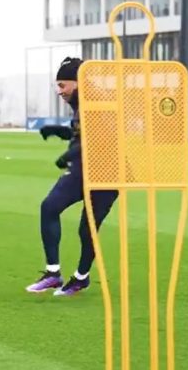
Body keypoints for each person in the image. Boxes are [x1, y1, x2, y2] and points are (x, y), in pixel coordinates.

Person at [25, 57, 119, 297]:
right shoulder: (80, 104)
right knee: (49, 207)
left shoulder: (99, 103)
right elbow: (81, 134)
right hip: (82, 168)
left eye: (62, 85)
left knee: (87, 229)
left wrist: (68, 154)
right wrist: (58, 131)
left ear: (77, 83)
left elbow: (98, 139)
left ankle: (81, 277)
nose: (59, 91)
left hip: (107, 172)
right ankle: (53, 273)